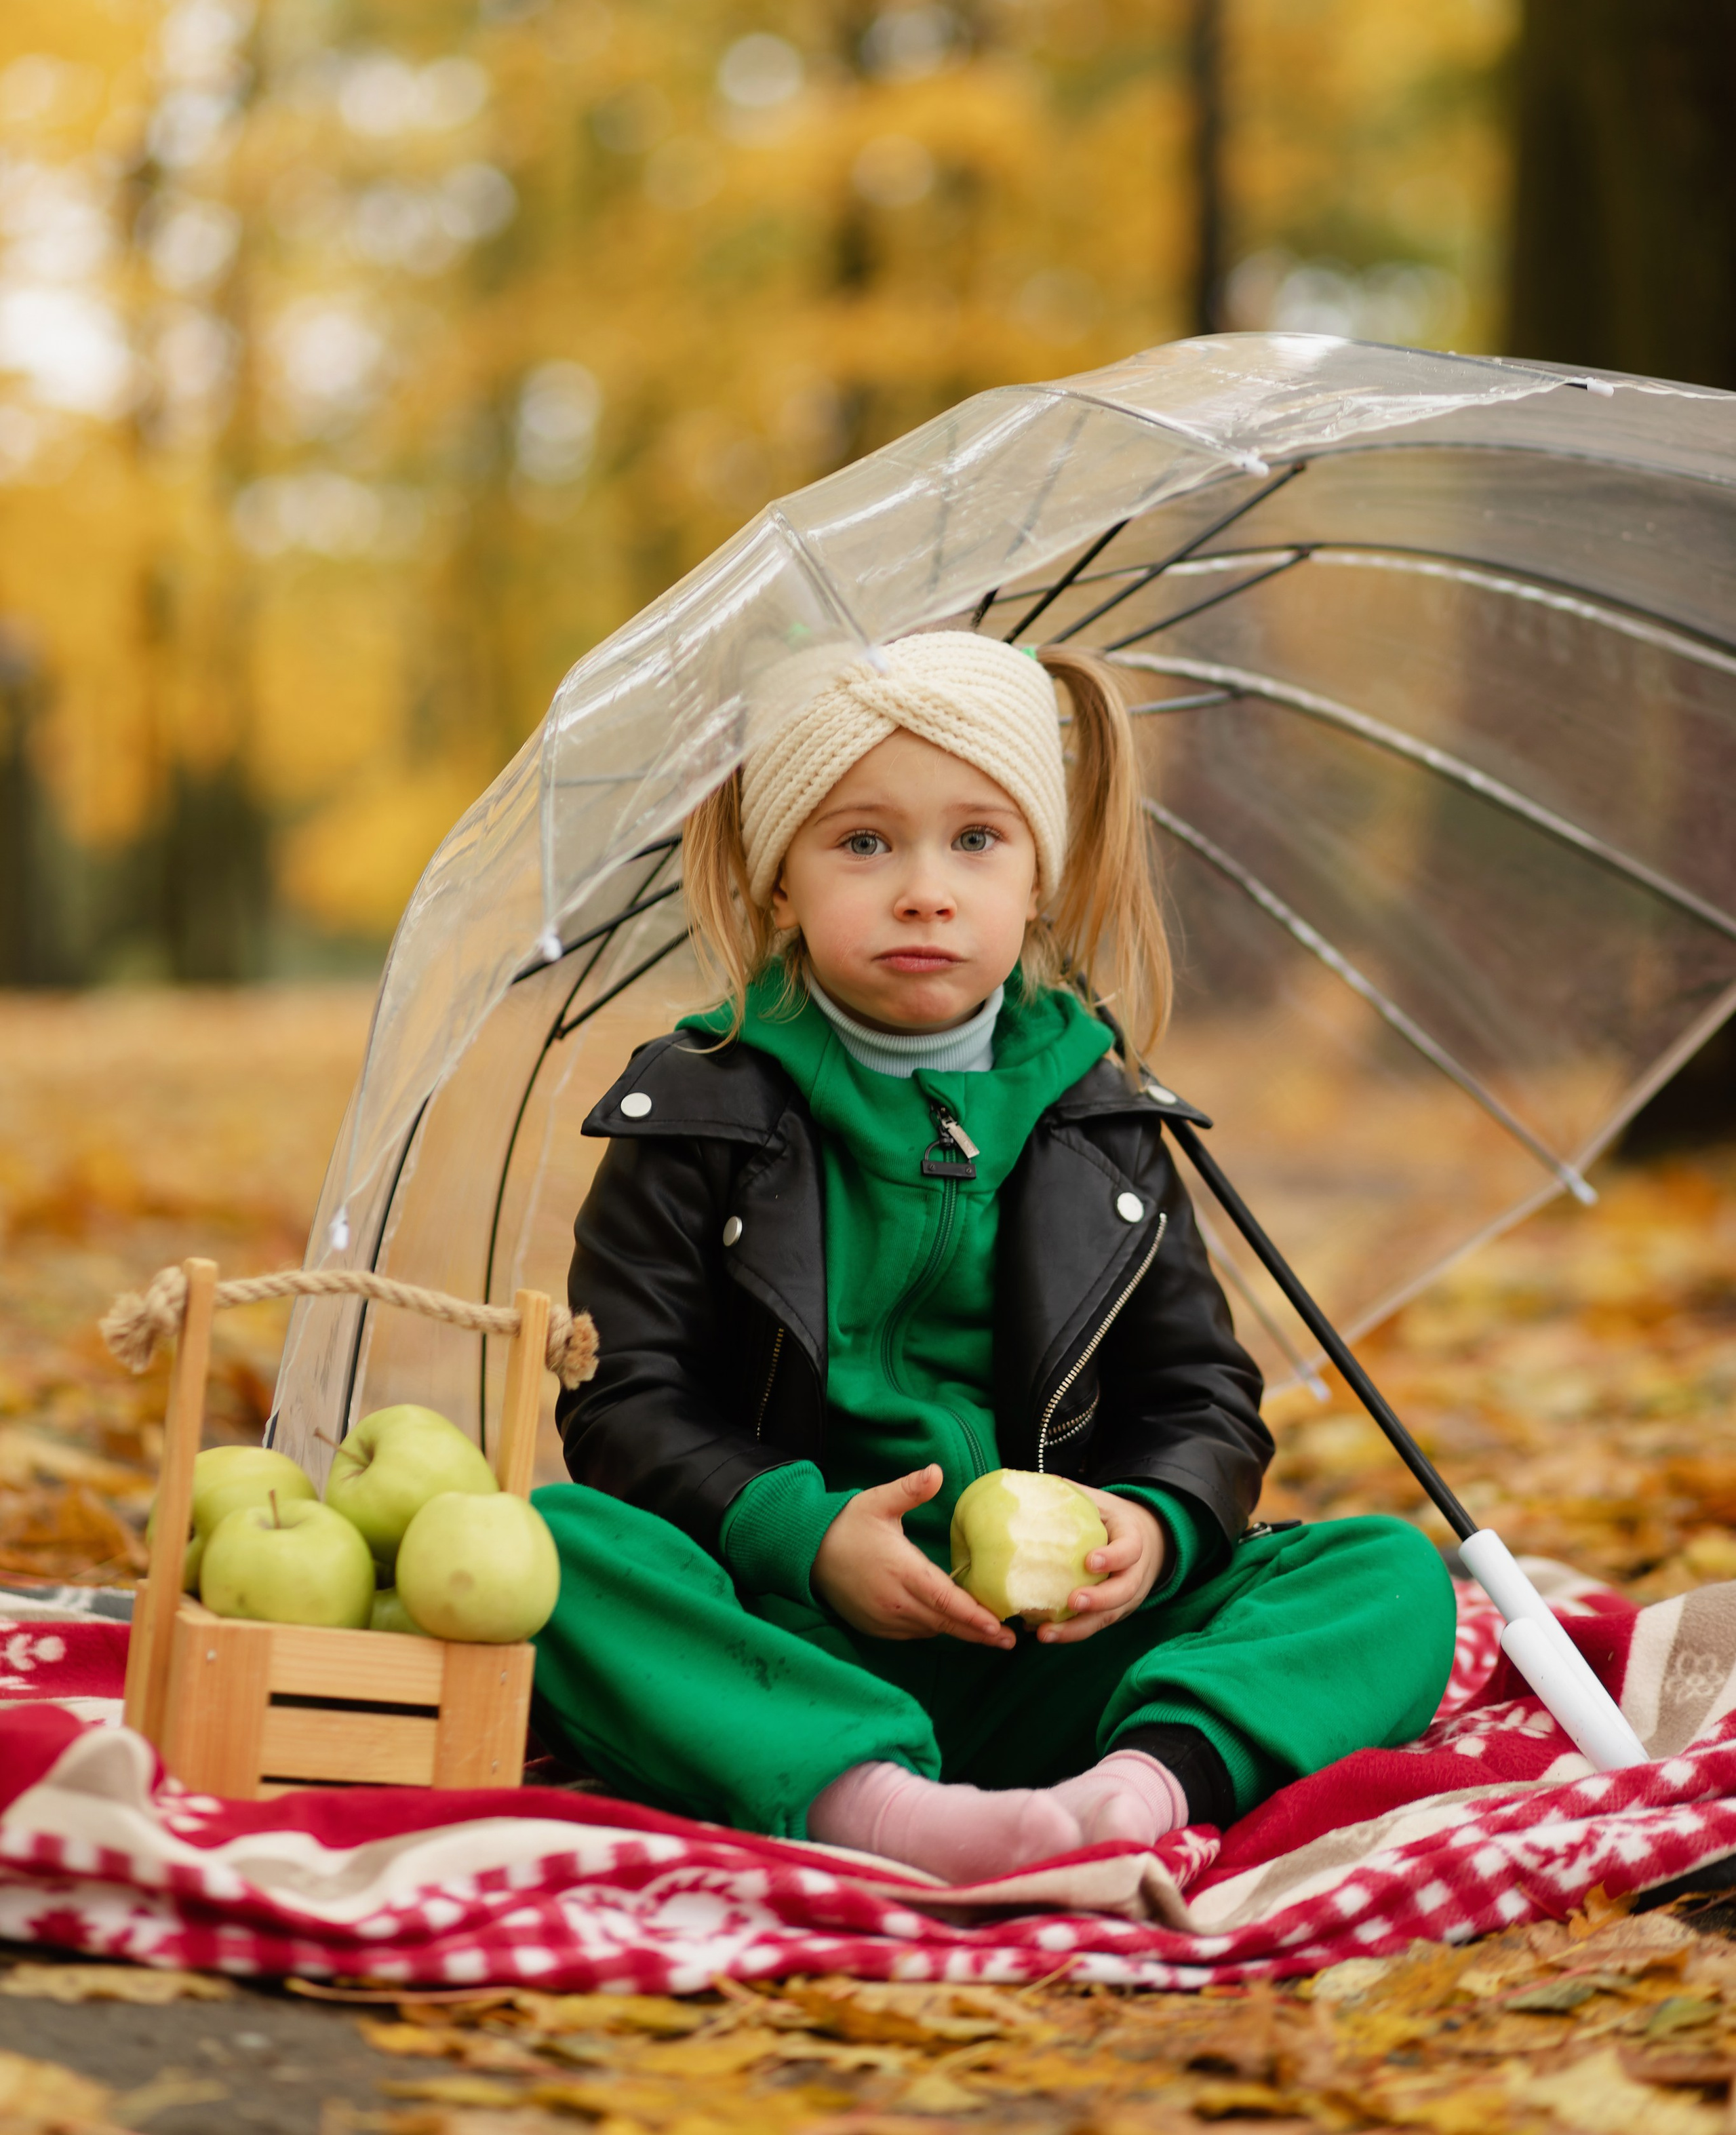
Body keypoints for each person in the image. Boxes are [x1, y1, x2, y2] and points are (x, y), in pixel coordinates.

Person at [530, 630, 1456, 1881]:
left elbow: (1199, 1395)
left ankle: (1140, 1786)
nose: (925, 888)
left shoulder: (1101, 1118)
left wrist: (1154, 1525)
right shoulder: (698, 1111)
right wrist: (802, 1537)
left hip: (1054, 1649)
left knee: (1386, 1573)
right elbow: (624, 1402)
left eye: (977, 840)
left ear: (1040, 881)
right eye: (863, 841)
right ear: (777, 882)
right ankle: (878, 1805)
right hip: (791, 1636)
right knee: (558, 1548)